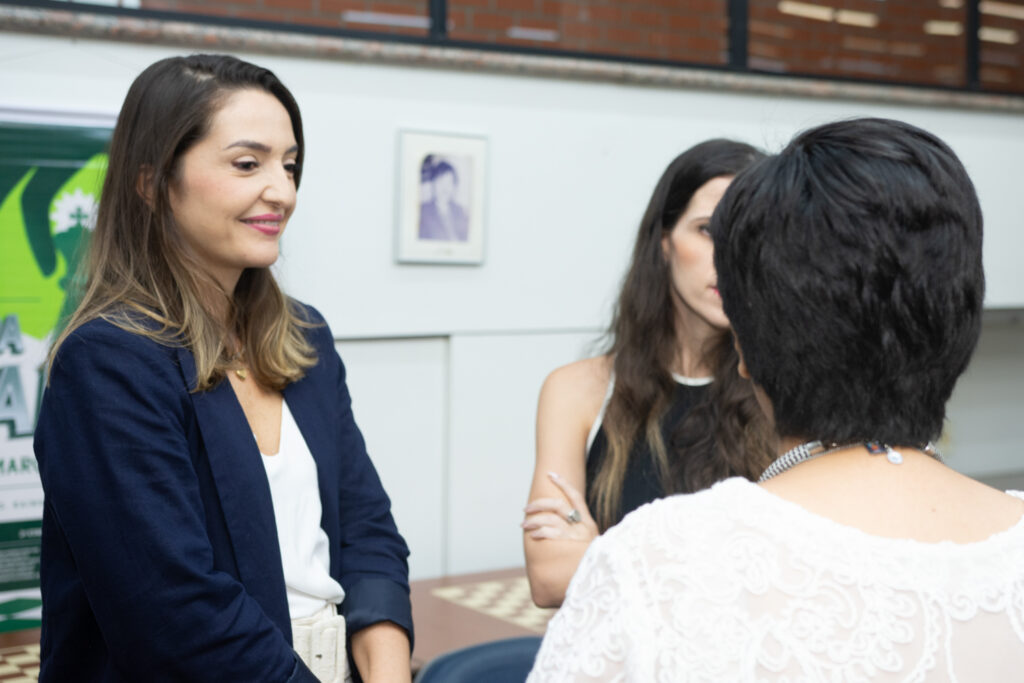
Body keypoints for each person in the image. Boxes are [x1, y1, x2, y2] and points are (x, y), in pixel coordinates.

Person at [528, 118, 1024, 680]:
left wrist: (612, 556)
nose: (723, 264)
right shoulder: (591, 406)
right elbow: (547, 574)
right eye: (708, 231)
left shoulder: (647, 560)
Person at [34, 54, 412, 682]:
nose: (283, 192)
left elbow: (368, 534)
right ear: (153, 182)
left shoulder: (305, 336)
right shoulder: (108, 361)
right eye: (247, 164)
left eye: (289, 165)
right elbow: (175, 614)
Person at [522, 140, 775, 608]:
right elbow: (550, 577)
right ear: (664, 241)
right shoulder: (579, 390)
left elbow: (795, 569)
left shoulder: (785, 392)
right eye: (708, 230)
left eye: (748, 236)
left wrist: (600, 552)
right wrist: (725, 564)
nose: (728, 256)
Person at [418, 158, 470, 241]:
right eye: (440, 181)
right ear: (433, 184)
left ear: (454, 186)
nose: (444, 188)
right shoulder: (422, 211)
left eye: (449, 182)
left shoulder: (460, 211)